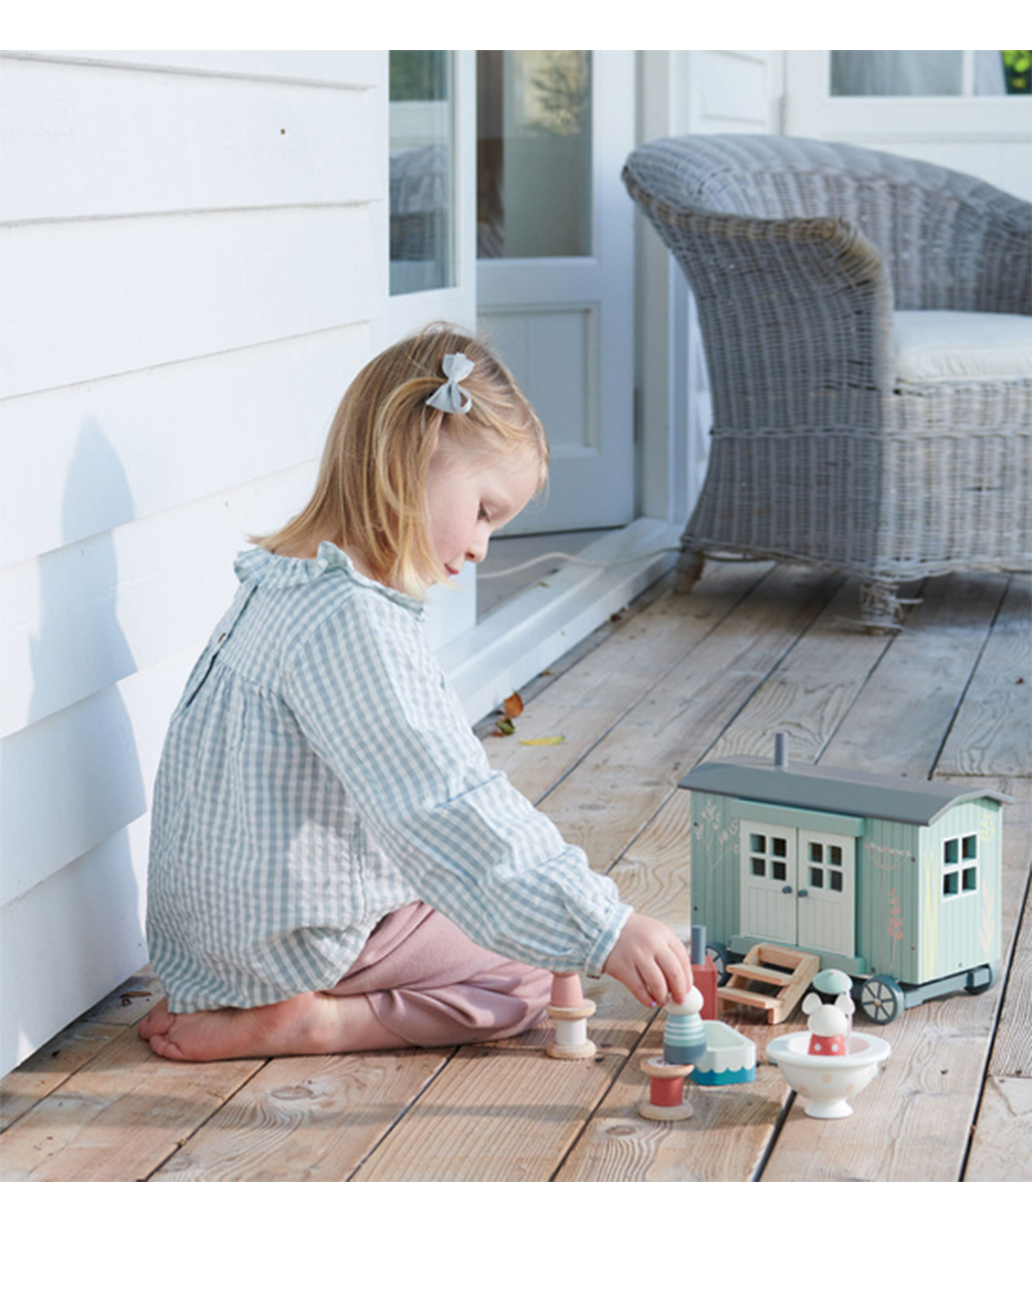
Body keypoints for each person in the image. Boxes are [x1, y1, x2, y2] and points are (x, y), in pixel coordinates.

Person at [139, 325, 691, 1062]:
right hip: (287, 948)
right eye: (486, 510)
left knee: (493, 904)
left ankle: (260, 1002)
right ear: (412, 457)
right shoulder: (356, 625)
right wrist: (603, 925)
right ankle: (315, 1020)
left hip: (209, 943)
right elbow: (443, 806)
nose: (481, 548)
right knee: (534, 970)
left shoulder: (280, 581)